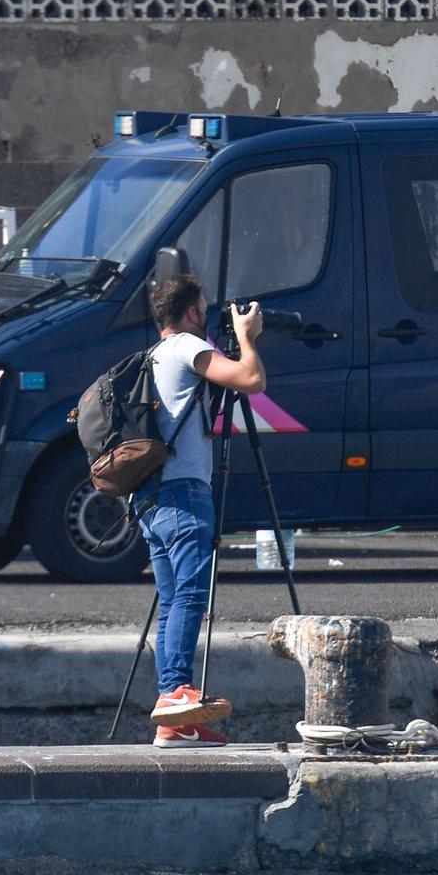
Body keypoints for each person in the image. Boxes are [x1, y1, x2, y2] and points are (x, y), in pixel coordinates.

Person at [137, 273, 266, 748]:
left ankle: (176, 720)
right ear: (191, 313)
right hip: (184, 494)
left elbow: (201, 424)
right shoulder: (187, 347)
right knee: (191, 598)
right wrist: (247, 341)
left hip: (149, 496)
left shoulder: (152, 357)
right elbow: (252, 380)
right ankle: (174, 698)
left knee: (173, 602)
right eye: (205, 309)